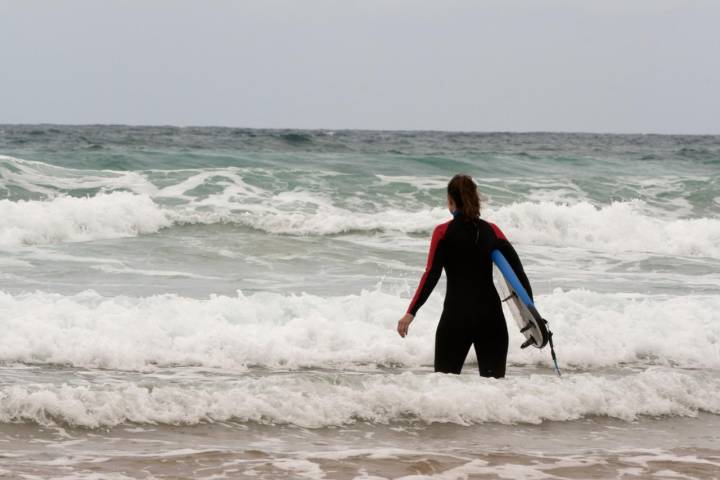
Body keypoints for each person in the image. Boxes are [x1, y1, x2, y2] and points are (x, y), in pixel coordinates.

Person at [397, 174, 533, 378]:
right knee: (495, 389)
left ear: (451, 201)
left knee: (443, 385)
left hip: (456, 317)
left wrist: (411, 312)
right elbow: (517, 273)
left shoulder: (443, 232)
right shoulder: (492, 231)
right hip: (491, 319)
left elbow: (431, 275)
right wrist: (532, 315)